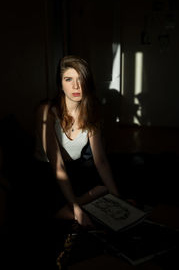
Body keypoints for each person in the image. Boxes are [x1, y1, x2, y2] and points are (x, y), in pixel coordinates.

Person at [34, 55, 119, 229]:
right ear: (60, 84)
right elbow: (57, 166)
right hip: (48, 171)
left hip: (74, 168)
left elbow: (100, 160)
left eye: (80, 79)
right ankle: (76, 203)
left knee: (111, 182)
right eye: (68, 79)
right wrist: (76, 208)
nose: (76, 86)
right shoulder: (47, 111)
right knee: (47, 206)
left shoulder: (92, 112)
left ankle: (79, 201)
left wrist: (117, 198)